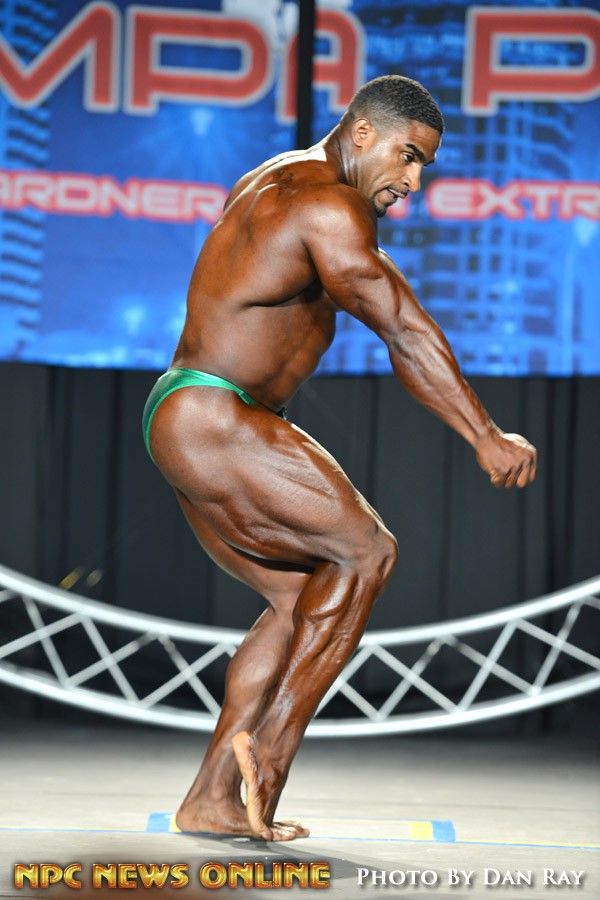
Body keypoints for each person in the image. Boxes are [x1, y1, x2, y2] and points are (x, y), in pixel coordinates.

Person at [142, 75, 537, 842]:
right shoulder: (329, 204)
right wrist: (485, 434)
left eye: (423, 166)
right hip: (216, 416)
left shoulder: (283, 178)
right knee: (367, 552)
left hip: (190, 413)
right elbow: (403, 329)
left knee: (300, 605)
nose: (412, 181)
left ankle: (211, 798)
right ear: (362, 133)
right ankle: (270, 761)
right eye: (408, 156)